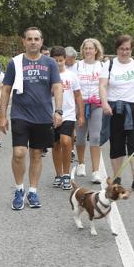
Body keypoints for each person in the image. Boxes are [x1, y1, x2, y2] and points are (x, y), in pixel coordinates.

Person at [0, 27, 62, 210]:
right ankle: (19, 189)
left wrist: (58, 111)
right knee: (19, 153)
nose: (33, 42)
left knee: (36, 154)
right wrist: (2, 116)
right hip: (20, 114)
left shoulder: (50, 63)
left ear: (41, 42)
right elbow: (5, 89)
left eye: (36, 39)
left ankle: (33, 190)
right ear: (24, 41)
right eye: (29, 39)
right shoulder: (15, 63)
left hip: (42, 116)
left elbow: (57, 87)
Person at [100, 35, 134, 193]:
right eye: (122, 48)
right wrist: (105, 103)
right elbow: (102, 86)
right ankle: (117, 177)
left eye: (127, 49)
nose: (124, 52)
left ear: (131, 49)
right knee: (116, 143)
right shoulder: (109, 64)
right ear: (117, 49)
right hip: (116, 109)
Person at [50, 46, 84, 190]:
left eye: (61, 60)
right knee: (56, 144)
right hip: (51, 115)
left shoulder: (71, 76)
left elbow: (78, 95)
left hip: (68, 114)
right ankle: (58, 174)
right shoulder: (48, 76)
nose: (58, 63)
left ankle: (66, 174)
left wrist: (81, 114)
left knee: (65, 140)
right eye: (55, 61)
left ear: (65, 60)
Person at [75, 38, 105, 183]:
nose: (88, 51)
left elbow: (106, 86)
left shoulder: (102, 66)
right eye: (85, 48)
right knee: (80, 136)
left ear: (96, 50)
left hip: (96, 104)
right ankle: (81, 163)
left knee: (95, 137)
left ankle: (95, 171)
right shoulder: (77, 66)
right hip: (80, 104)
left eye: (90, 48)